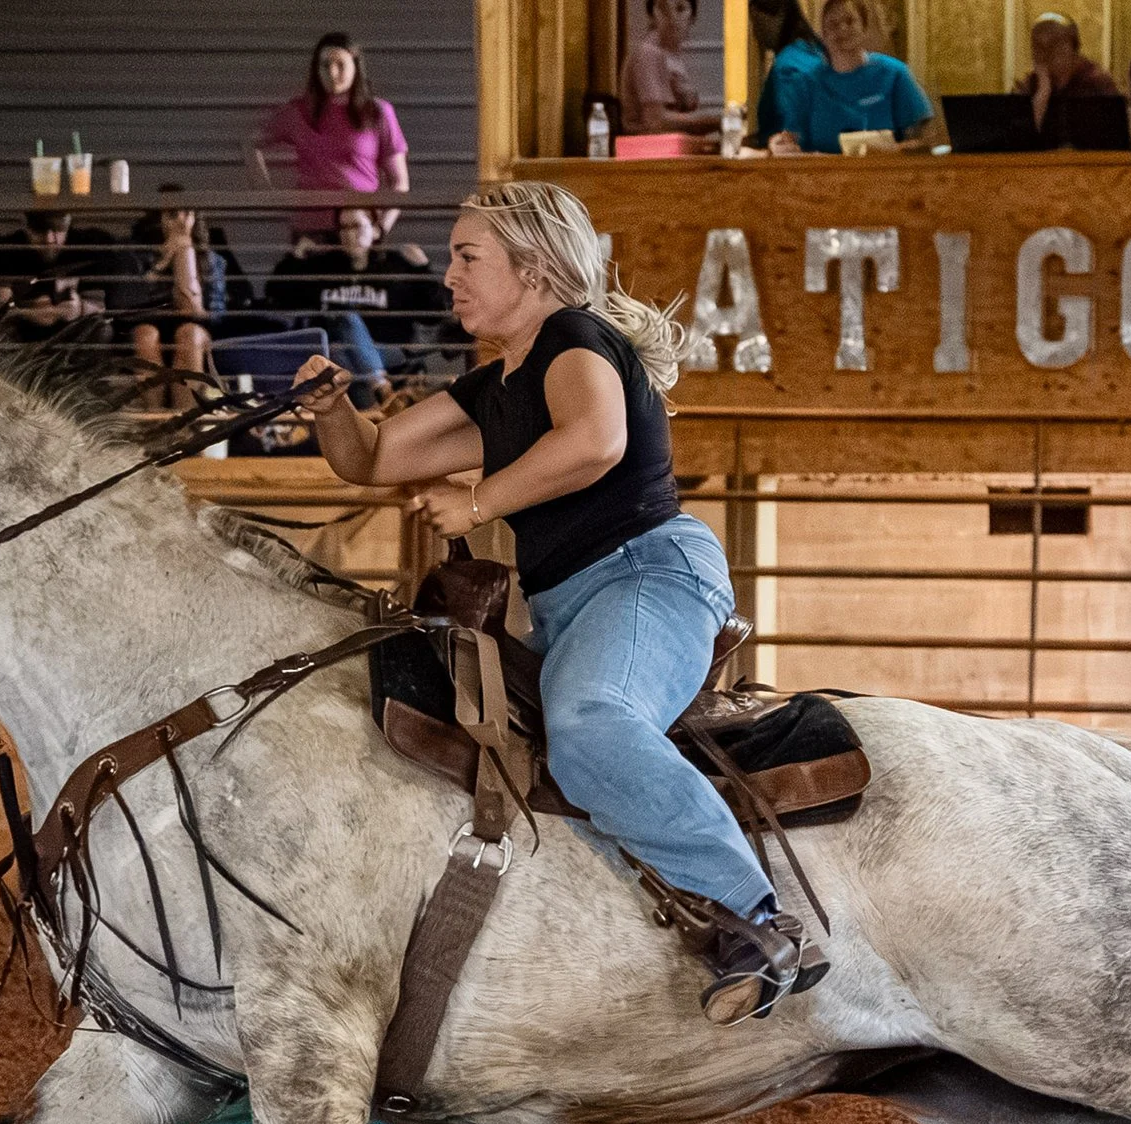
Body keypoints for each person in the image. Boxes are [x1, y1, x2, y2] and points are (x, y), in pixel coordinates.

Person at [293, 181, 827, 1026]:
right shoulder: (494, 388)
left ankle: (758, 918)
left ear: (533, 270)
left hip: (647, 575)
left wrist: (477, 501)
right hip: (573, 601)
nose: (449, 276)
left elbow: (596, 440)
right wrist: (334, 410)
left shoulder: (574, 339)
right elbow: (372, 457)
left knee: (589, 722)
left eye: (468, 257)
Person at [265, 206, 451, 403]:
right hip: (338, 356)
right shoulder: (323, 268)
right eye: (344, 228)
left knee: (345, 320)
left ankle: (380, 392)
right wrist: (295, 258)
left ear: (375, 230)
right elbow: (278, 298)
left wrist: (423, 269)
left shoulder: (395, 268)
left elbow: (433, 315)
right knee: (340, 353)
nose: (349, 234)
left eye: (356, 226)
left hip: (389, 352)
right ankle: (382, 401)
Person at [251, 32, 410, 240]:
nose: (332, 73)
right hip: (310, 232)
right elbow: (252, 143)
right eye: (325, 65)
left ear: (355, 66)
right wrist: (265, 193)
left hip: (358, 231)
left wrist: (379, 230)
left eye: (340, 65)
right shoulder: (299, 111)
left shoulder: (377, 112)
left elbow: (400, 183)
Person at [112, 187, 245, 409]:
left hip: (194, 329)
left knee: (189, 334)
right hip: (149, 326)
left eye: (187, 213)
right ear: (158, 219)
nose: (182, 222)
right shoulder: (135, 256)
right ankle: (155, 420)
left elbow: (208, 313)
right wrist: (164, 260)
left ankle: (185, 421)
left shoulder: (212, 260)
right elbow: (126, 307)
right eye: (173, 214)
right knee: (146, 335)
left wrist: (186, 254)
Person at [764, 0, 933, 155]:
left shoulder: (895, 74)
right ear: (823, 34)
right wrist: (778, 145)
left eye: (850, 21)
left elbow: (928, 142)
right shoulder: (807, 83)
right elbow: (791, 140)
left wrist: (890, 150)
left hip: (885, 173)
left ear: (864, 26)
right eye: (833, 24)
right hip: (823, 175)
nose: (842, 29)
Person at [0, 209, 115, 341]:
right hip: (22, 336)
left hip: (72, 336)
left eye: (58, 229)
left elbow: (100, 307)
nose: (49, 239)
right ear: (26, 227)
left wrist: (79, 307)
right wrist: (31, 313)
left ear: (68, 224)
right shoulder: (6, 252)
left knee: (102, 330)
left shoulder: (88, 247)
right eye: (39, 230)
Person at [1012, 11, 1120, 140]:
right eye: (1038, 46)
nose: (1046, 53)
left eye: (1054, 45)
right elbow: (1018, 138)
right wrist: (1043, 93)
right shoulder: (1029, 84)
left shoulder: (1097, 82)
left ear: (1074, 48)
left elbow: (1112, 135)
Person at [620, 0, 721, 136]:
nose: (672, 17)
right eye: (663, 8)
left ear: (692, 17)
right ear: (651, 15)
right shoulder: (649, 53)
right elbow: (656, 121)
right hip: (649, 146)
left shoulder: (673, 56)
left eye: (680, 9)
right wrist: (715, 121)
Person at [750, 0, 827, 146]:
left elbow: (791, 132)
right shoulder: (817, 49)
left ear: (780, 17)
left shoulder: (786, 66)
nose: (756, 33)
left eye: (757, 24)